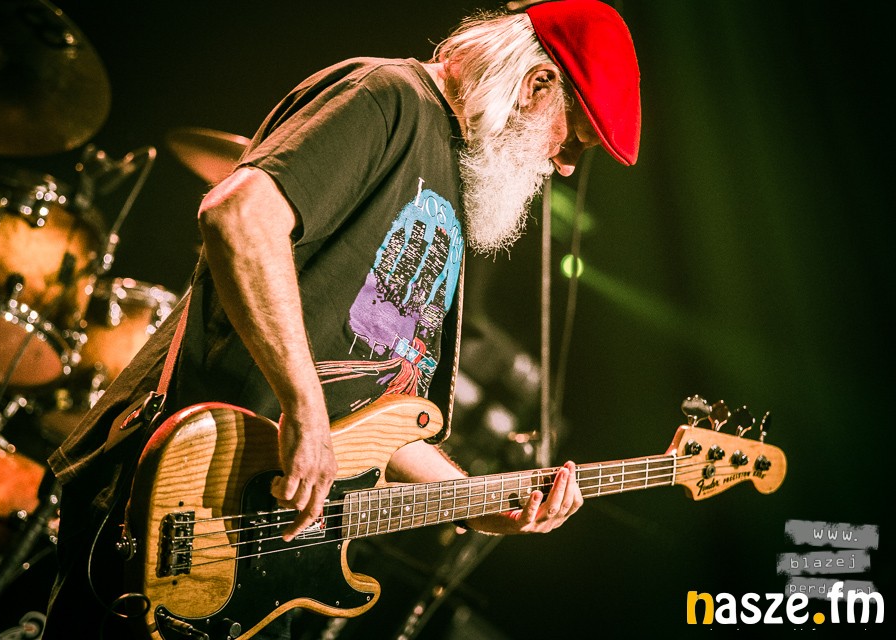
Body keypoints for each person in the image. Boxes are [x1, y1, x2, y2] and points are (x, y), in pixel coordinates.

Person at [43, 0, 641, 637]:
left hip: (255, 546)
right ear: (537, 84)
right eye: (573, 138)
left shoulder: (454, 183)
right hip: (179, 489)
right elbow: (239, 215)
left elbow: (381, 415)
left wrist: (480, 506)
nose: (566, 164)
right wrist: (304, 410)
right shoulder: (388, 97)